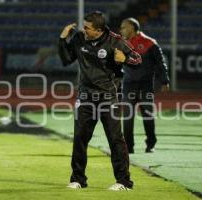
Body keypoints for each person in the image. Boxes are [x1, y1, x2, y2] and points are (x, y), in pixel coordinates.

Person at [58, 11, 142, 190]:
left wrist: (125, 58)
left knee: (115, 139)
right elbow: (66, 60)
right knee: (80, 139)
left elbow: (137, 59)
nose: (83, 30)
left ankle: (124, 182)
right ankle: (78, 179)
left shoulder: (115, 41)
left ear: (99, 30)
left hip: (108, 99)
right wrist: (62, 40)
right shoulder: (80, 38)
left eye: (88, 28)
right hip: (85, 98)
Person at [119, 18, 170, 154]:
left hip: (145, 85)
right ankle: (128, 147)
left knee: (148, 116)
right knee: (127, 118)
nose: (121, 30)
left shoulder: (150, 43)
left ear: (132, 28)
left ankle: (150, 144)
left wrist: (164, 81)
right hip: (128, 85)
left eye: (124, 27)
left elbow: (160, 63)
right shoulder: (121, 44)